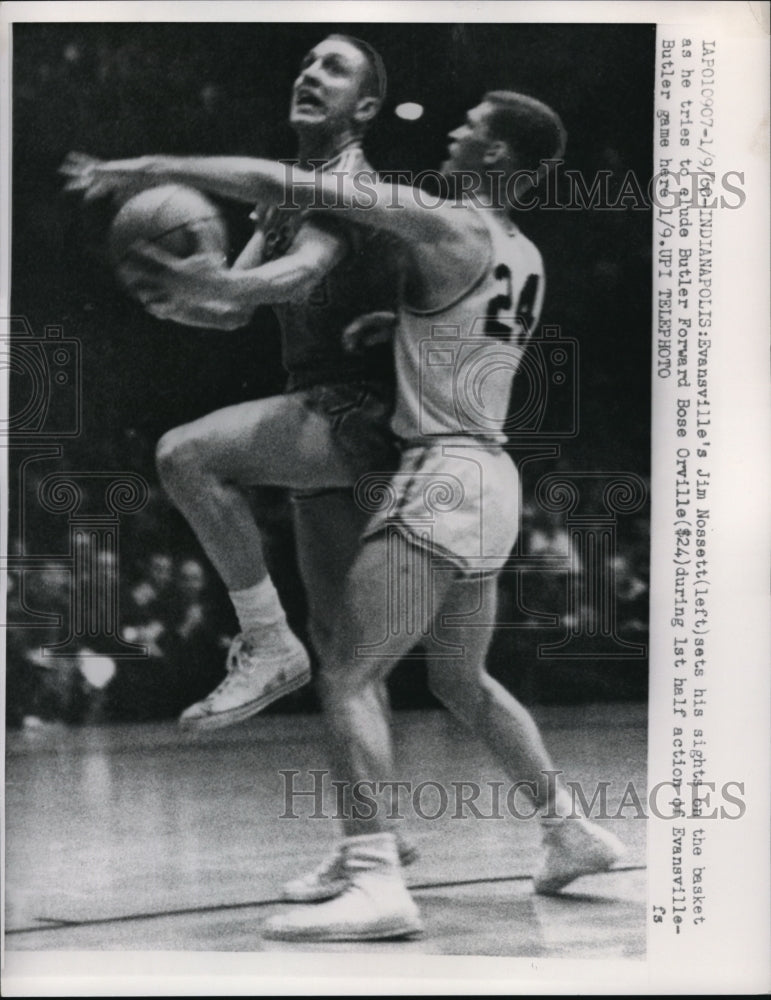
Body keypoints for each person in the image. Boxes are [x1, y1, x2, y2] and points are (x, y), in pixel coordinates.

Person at [66, 91, 626, 942]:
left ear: (501, 157)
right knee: (458, 679)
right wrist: (389, 326)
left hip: (440, 476)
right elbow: (464, 335)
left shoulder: (447, 221)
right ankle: (569, 830)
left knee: (348, 673)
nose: (452, 130)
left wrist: (151, 167)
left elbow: (279, 179)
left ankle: (375, 878)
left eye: (471, 126)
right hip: (492, 479)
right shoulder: (522, 251)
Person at [62, 35, 403, 735]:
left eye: (333, 68)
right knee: (345, 652)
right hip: (325, 415)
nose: (310, 73)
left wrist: (214, 282)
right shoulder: (283, 192)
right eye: (306, 62)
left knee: (184, 454)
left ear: (364, 106)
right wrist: (173, 298)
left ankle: (265, 639)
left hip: (364, 410)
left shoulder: (351, 186)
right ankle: (376, 838)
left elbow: (297, 273)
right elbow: (234, 308)